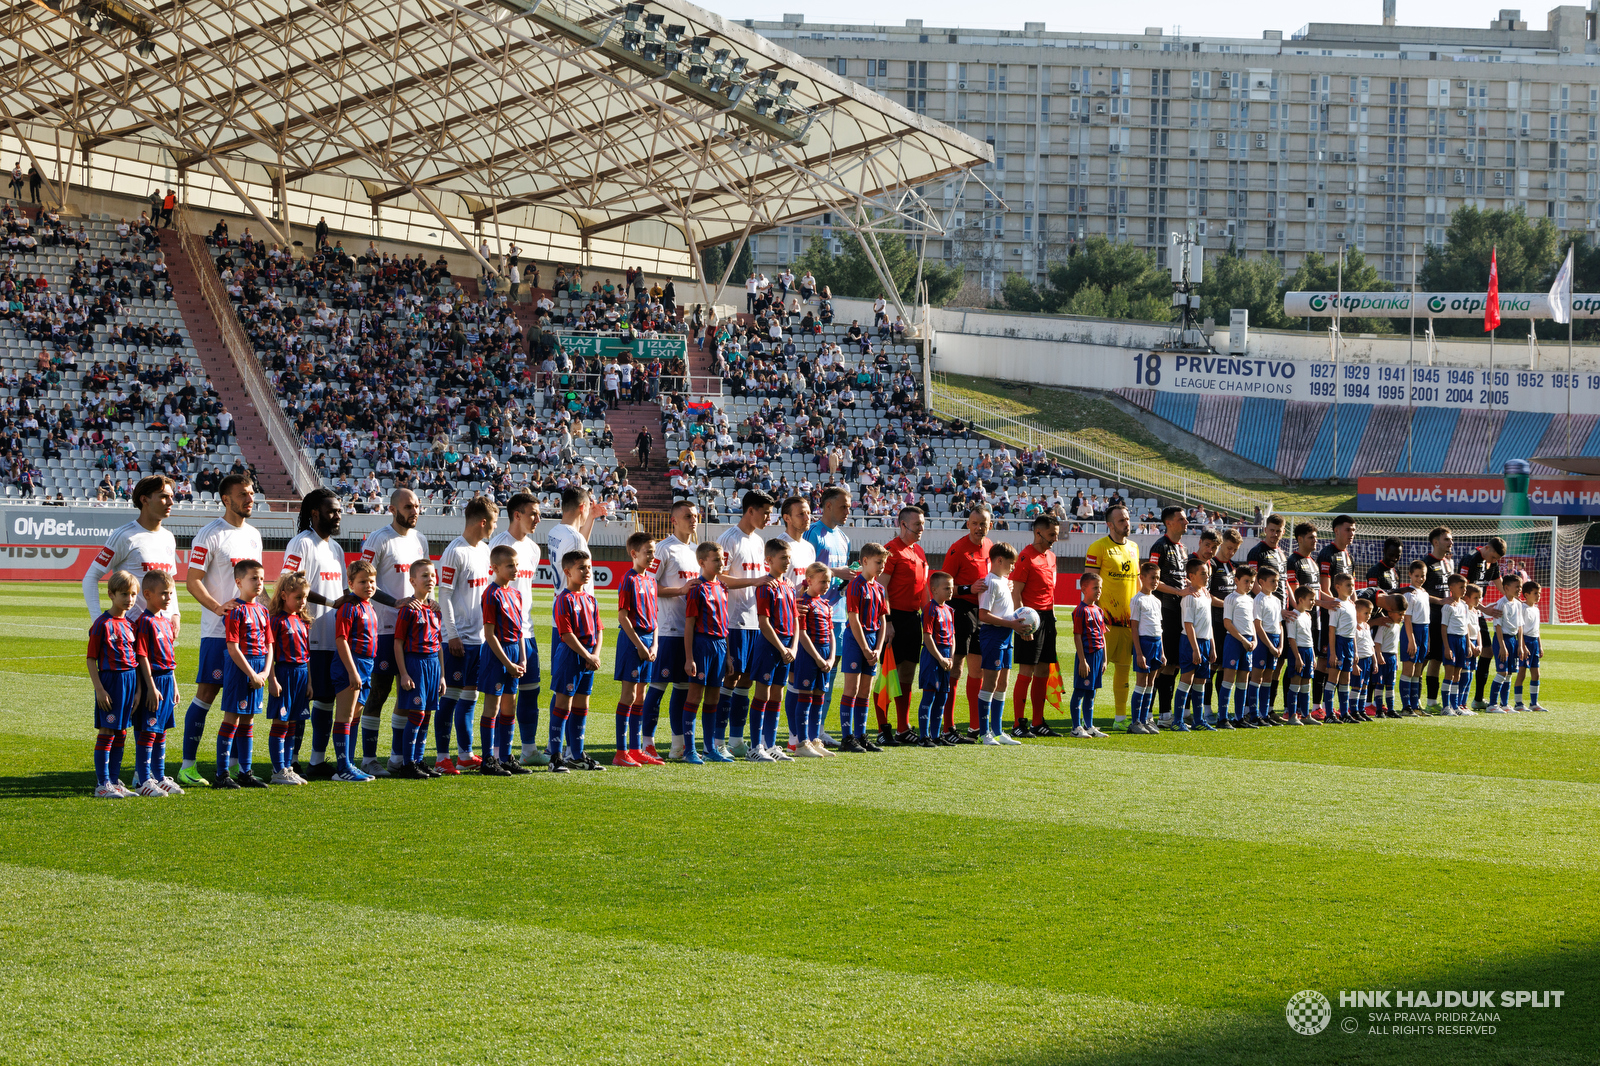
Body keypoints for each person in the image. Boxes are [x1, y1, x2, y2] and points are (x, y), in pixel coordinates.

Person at [178, 473, 262, 787]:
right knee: (207, 694)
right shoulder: (210, 534)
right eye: (243, 494)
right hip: (217, 632)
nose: (250, 499)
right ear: (226, 499)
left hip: (249, 636)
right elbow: (192, 580)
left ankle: (239, 769)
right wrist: (218, 608)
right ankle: (188, 766)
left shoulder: (254, 535)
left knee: (244, 700)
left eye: (251, 493)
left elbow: (256, 581)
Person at [357, 488, 429, 775]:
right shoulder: (379, 539)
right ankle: (368, 759)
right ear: (393, 509)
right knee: (378, 691)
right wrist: (395, 602)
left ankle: (398, 758)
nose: (415, 511)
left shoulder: (420, 540)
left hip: (414, 629)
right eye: (409, 506)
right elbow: (362, 578)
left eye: (417, 506)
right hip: (384, 628)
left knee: (407, 692)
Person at [282, 488, 349, 779]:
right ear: (314, 513)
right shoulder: (301, 544)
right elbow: (290, 584)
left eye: (339, 510)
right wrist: (331, 603)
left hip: (333, 638)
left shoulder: (336, 548)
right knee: (300, 702)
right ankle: (290, 760)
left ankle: (317, 761)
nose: (337, 515)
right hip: (305, 637)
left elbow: (343, 593)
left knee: (326, 700)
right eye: (332, 510)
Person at [435, 497, 497, 775]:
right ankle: (440, 757)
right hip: (458, 640)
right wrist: (452, 634)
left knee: (470, 698)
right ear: (483, 522)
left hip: (480, 639)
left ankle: (465, 754)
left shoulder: (484, 551)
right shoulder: (454, 551)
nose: (495, 528)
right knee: (449, 699)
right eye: (494, 523)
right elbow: (444, 595)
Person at [716, 489, 778, 757]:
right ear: (750, 510)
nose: (768, 517)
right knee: (731, 677)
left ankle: (737, 740)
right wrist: (754, 581)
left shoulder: (759, 541)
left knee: (747, 681)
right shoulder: (729, 539)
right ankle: (718, 741)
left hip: (755, 622)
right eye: (765, 512)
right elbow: (719, 578)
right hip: (733, 620)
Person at [488, 492, 547, 768]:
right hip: (503, 636)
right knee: (502, 697)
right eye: (533, 513)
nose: (538, 518)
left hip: (527, 631)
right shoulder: (499, 544)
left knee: (531, 689)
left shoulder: (534, 549)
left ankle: (528, 749)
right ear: (517, 515)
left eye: (538, 513)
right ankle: (500, 753)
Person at [649, 500, 703, 762]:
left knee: (682, 688)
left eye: (695, 515)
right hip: (668, 628)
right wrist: (680, 590)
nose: (692, 520)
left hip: (690, 631)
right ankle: (646, 743)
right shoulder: (664, 549)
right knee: (658, 687)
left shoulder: (696, 550)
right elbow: (646, 587)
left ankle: (677, 745)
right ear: (674, 520)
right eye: (686, 516)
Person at [83, 473, 178, 623]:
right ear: (144, 499)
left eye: (172, 496)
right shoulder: (124, 535)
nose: (171, 502)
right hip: (130, 632)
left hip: (162, 629)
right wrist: (97, 621)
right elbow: (90, 577)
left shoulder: (169, 537)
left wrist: (175, 614)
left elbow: (169, 581)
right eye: (163, 496)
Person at [213, 560, 273, 789]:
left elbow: (269, 644)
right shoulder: (235, 611)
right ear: (239, 582)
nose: (259, 583)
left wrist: (265, 673)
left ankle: (245, 773)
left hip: (258, 670)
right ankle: (221, 775)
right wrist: (252, 674)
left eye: (261, 578)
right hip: (241, 669)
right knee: (232, 718)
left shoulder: (262, 611)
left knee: (248, 721)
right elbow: (232, 647)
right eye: (253, 578)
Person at [547, 549, 605, 772]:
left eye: (589, 567)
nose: (587, 571)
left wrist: (596, 655)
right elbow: (566, 634)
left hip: (588, 657)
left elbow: (599, 630)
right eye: (581, 567)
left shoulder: (591, 599)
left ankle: (577, 755)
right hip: (571, 657)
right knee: (564, 705)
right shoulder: (564, 598)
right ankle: (555, 757)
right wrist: (587, 655)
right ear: (567, 572)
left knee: (582, 705)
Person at [803, 485, 853, 745]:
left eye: (849, 506)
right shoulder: (814, 533)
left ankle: (818, 728)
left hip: (838, 614)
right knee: (810, 673)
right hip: (815, 615)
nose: (848, 511)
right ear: (828, 506)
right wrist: (837, 572)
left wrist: (844, 580)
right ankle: (803, 731)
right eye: (843, 506)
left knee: (830, 674)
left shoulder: (844, 537)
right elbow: (807, 571)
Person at [478, 544, 532, 776]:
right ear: (495, 568)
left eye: (516, 565)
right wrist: (508, 663)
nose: (515, 569)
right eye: (510, 565)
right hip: (496, 655)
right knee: (493, 707)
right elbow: (489, 635)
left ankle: (506, 756)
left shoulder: (515, 594)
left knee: (510, 706)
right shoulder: (491, 594)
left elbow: (519, 631)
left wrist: (522, 658)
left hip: (513, 654)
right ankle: (488, 759)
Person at [879, 505, 931, 745]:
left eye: (922, 524)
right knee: (888, 675)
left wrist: (930, 617)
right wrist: (887, 621)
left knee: (907, 674)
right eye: (917, 524)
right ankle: (883, 729)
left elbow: (922, 589)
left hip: (913, 618)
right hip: (894, 618)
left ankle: (902, 728)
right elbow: (882, 589)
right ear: (903, 525)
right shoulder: (891, 551)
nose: (921, 528)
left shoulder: (919, 551)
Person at [89, 571, 141, 798]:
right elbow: (91, 659)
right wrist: (99, 689)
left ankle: (114, 780)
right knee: (107, 730)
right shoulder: (101, 624)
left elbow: (136, 660)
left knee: (121, 731)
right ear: (111, 594)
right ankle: (102, 784)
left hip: (129, 681)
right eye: (124, 594)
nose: (129, 599)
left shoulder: (130, 624)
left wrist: (138, 690)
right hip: (111, 680)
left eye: (132, 594)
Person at [943, 505, 993, 741]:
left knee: (978, 670)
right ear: (968, 524)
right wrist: (967, 588)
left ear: (989, 525)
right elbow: (944, 587)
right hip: (960, 611)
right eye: (974, 523)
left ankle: (975, 726)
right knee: (956, 668)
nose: (978, 528)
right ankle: (948, 727)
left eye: (983, 523)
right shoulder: (957, 549)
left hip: (982, 612)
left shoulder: (991, 547)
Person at [772, 495, 818, 751]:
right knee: (790, 678)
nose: (807, 516)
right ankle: (793, 739)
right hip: (784, 623)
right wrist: (791, 604)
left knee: (801, 680)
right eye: (801, 513)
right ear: (787, 517)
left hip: (804, 620)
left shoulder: (808, 547)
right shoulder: (780, 545)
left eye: (808, 512)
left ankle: (801, 738)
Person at [1008, 514, 1061, 738]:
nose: (1054, 540)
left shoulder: (1051, 557)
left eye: (1056, 535)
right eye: (1051, 535)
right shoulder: (1025, 557)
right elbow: (1016, 592)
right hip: (1030, 618)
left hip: (1048, 617)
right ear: (1038, 532)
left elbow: (1050, 592)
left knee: (1043, 669)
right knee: (1027, 669)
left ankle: (1038, 722)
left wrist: (1053, 617)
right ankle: (1019, 724)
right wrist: (1022, 624)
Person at [748, 538, 800, 761]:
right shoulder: (765, 586)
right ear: (769, 559)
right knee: (763, 694)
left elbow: (797, 620)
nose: (788, 561)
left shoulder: (788, 585)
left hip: (788, 647)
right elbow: (763, 623)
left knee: (777, 695)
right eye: (783, 558)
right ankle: (755, 747)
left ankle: (770, 745)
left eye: (789, 557)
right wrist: (781, 647)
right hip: (770, 646)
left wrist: (794, 647)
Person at [329, 560, 381, 781]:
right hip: (351, 664)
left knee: (355, 716)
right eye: (362, 582)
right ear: (350, 583)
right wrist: (352, 671)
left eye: (371, 581)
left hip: (366, 665)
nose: (368, 586)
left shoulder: (368, 605)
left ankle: (349, 764)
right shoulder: (348, 607)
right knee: (345, 716)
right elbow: (341, 640)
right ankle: (342, 769)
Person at [392, 560, 444, 779]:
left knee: (427, 714)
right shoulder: (408, 610)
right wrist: (404, 673)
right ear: (412, 581)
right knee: (417, 713)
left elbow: (439, 643)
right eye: (424, 576)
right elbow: (398, 643)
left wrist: (442, 675)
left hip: (433, 664)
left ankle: (420, 759)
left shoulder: (434, 609)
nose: (430, 580)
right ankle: (407, 762)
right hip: (415, 663)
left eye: (432, 575)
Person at [131, 572, 182, 795]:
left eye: (170, 592)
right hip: (153, 682)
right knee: (149, 731)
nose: (168, 597)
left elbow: (169, 658)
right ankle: (143, 780)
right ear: (148, 594)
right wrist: (151, 687)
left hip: (167, 681)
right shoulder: (144, 622)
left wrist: (175, 685)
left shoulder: (165, 622)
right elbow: (142, 656)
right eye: (163, 593)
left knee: (161, 732)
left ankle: (159, 776)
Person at [613, 532, 661, 766]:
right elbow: (623, 617)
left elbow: (655, 617)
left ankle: (636, 749)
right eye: (648, 552)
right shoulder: (628, 580)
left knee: (641, 696)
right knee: (629, 696)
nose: (653, 556)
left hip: (648, 642)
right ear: (634, 554)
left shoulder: (651, 581)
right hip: (633, 643)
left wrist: (654, 644)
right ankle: (621, 752)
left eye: (654, 551)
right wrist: (641, 645)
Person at [838, 542, 891, 752]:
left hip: (872, 642)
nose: (882, 567)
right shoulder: (855, 585)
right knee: (851, 689)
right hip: (855, 641)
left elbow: (883, 620)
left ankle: (861, 735)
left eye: (884, 563)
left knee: (866, 691)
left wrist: (877, 648)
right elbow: (854, 619)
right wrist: (865, 648)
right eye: (878, 562)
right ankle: (847, 737)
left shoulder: (879, 588)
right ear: (865, 561)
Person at [681, 541, 730, 764]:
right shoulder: (697, 589)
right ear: (702, 562)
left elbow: (725, 624)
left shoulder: (721, 588)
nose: (722, 563)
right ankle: (689, 749)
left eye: (722, 558)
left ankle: (710, 749)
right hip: (702, 645)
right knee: (695, 696)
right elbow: (689, 625)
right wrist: (690, 657)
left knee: (714, 697)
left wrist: (728, 655)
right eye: (716, 559)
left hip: (720, 646)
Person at [265, 572, 313, 786]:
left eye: (305, 598)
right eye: (298, 597)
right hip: (284, 674)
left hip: (302, 675)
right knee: (281, 722)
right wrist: (272, 680)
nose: (302, 602)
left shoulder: (302, 621)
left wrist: (310, 682)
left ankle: (287, 766)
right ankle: (278, 770)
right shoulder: (276, 621)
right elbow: (271, 653)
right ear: (284, 596)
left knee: (293, 723)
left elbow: (307, 654)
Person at [975, 541, 1025, 745]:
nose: (1013, 567)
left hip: (1006, 634)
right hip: (993, 634)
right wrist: (1011, 624)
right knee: (990, 682)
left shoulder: (1004, 581)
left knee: (1003, 683)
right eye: (1011, 563)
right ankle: (984, 732)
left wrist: (1021, 624)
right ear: (999, 560)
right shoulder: (991, 582)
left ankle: (998, 730)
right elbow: (983, 615)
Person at [1148, 505, 1190, 726]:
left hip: (1180, 611)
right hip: (1165, 611)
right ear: (1169, 522)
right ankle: (1147, 713)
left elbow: (1181, 579)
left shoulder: (1182, 548)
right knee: (1161, 664)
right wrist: (1177, 591)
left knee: (1173, 663)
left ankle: (1165, 714)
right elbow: (1152, 581)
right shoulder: (1159, 546)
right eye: (1182, 519)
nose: (1186, 522)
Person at [791, 562, 837, 757]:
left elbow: (831, 633)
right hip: (809, 656)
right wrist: (818, 658)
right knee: (806, 697)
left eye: (828, 581)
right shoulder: (803, 603)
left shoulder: (825, 604)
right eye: (822, 581)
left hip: (825, 656)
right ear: (809, 581)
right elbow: (802, 634)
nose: (826, 585)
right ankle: (802, 743)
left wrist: (832, 657)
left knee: (819, 697)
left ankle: (814, 739)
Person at [1247, 513, 1290, 713]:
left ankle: (1269, 707)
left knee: (1278, 663)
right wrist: (1267, 602)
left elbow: (1285, 582)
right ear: (1265, 530)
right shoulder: (1257, 552)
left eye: (1278, 531)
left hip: (1281, 614)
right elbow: (1254, 583)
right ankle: (1251, 708)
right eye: (1272, 530)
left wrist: (1291, 605)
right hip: (1266, 612)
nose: (1275, 534)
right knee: (1259, 666)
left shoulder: (1282, 554)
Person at [1458, 536, 1506, 710]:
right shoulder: (1471, 558)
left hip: (1476, 611)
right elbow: (1462, 590)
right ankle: (1455, 701)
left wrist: (1513, 598)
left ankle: (1477, 699)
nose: (1494, 562)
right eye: (1493, 557)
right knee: (1461, 654)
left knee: (1486, 651)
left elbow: (1498, 582)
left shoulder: (1492, 563)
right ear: (1487, 548)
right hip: (1463, 611)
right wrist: (1485, 609)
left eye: (1497, 560)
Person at [915, 572, 957, 746]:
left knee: (942, 697)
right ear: (934, 590)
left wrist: (951, 658)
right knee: (929, 696)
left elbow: (953, 636)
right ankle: (924, 737)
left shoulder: (949, 610)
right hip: (933, 656)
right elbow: (927, 637)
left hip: (946, 657)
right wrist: (940, 658)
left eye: (951, 587)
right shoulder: (930, 609)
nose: (951, 590)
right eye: (946, 588)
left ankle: (936, 735)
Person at [1417, 526, 1455, 713]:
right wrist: (1440, 600)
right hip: (1428, 618)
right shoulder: (1426, 564)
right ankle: (1414, 701)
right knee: (1423, 660)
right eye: (1447, 539)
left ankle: (1431, 702)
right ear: (1435, 542)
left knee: (1437, 660)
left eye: (1450, 539)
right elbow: (1419, 592)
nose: (1451, 542)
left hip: (1444, 619)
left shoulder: (1449, 563)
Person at [1216, 564, 1257, 731]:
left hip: (1248, 642)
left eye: (1252, 582)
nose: (1249, 585)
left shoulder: (1250, 599)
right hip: (1234, 641)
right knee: (1229, 679)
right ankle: (1222, 717)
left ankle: (1239, 717)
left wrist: (1254, 640)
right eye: (1246, 581)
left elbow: (1252, 622)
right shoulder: (1230, 599)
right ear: (1236, 581)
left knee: (1243, 680)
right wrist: (1242, 640)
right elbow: (1227, 623)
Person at [1178, 558, 1216, 729]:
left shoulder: (1206, 595)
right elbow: (1188, 624)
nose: (1206, 577)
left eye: (1207, 574)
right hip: (1190, 642)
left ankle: (1199, 720)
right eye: (1203, 574)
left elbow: (1209, 624)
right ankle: (1177, 720)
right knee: (1187, 679)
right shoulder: (1189, 598)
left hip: (1205, 642)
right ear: (1191, 576)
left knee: (1201, 681)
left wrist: (1212, 646)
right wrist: (1195, 649)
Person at [1069, 574, 1109, 739]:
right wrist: (1083, 661)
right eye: (1095, 587)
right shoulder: (1080, 611)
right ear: (1084, 588)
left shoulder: (1099, 610)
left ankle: (1089, 725)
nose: (1098, 591)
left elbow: (1102, 635)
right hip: (1087, 656)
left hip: (1098, 656)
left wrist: (1105, 659)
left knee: (1092, 691)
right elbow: (1077, 636)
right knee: (1080, 690)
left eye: (1100, 587)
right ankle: (1075, 727)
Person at [1128, 562, 1163, 734]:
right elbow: (1134, 627)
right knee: (1141, 682)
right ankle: (1135, 722)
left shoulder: (1156, 601)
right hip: (1144, 644)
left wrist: (1162, 651)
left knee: (1151, 683)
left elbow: (1159, 628)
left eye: (1157, 578)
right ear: (1142, 577)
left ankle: (1145, 719)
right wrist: (1139, 653)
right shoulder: (1137, 600)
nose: (1155, 581)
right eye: (1152, 577)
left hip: (1156, 644)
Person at [1321, 573, 1360, 724]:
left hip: (1349, 644)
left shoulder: (1351, 604)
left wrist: (1355, 650)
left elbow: (1353, 630)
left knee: (1346, 679)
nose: (1352, 588)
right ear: (1338, 587)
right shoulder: (1336, 605)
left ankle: (1344, 713)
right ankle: (1329, 714)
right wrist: (1333, 653)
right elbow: (1332, 631)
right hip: (1338, 643)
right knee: (1333, 679)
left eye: (1353, 585)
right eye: (1348, 585)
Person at [1252, 566, 1286, 726]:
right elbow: (1258, 626)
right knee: (1257, 676)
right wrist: (1271, 646)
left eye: (1277, 581)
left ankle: (1264, 714)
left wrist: (1280, 646)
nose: (1276, 584)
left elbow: (1279, 625)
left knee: (1268, 677)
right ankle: (1252, 713)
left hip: (1274, 641)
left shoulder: (1277, 600)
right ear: (1261, 582)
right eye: (1273, 581)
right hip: (1262, 641)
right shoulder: (1258, 600)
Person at [1486, 574, 1524, 714]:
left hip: (1513, 640)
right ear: (1506, 588)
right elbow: (1498, 626)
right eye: (1517, 587)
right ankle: (1491, 705)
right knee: (1502, 672)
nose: (1519, 589)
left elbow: (1520, 626)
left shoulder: (1518, 604)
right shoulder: (1501, 604)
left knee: (1509, 673)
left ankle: (1505, 704)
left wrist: (1520, 645)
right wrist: (1502, 646)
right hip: (1502, 640)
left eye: (1520, 587)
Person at [1397, 559, 1430, 716]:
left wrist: (1427, 639)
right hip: (1412, 632)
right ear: (1410, 575)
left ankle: (1415, 705)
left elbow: (1426, 619)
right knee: (1408, 669)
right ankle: (1406, 706)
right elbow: (1407, 619)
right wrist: (1411, 640)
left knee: (1418, 670)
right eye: (1416, 576)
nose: (1420, 579)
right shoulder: (1409, 594)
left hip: (1423, 632)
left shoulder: (1424, 593)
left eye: (1422, 575)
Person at [1285, 586, 1317, 724]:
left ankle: (1306, 715)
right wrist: (1297, 657)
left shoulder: (1307, 616)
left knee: (1306, 684)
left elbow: (1309, 638)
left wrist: (1313, 655)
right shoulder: (1293, 616)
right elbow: (1291, 638)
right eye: (1310, 599)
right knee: (1295, 683)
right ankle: (1292, 715)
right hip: (1298, 652)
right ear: (1300, 600)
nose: (1313, 602)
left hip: (1308, 652)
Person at [1516, 580, 1545, 711]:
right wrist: (1522, 645)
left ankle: (1534, 703)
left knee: (1536, 674)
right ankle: (1518, 703)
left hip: (1534, 643)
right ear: (1526, 595)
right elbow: (1520, 628)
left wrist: (1540, 645)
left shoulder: (1536, 609)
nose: (1538, 596)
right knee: (1521, 673)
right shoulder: (1522, 608)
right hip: (1525, 641)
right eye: (1535, 593)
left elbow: (1537, 629)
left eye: (1539, 593)